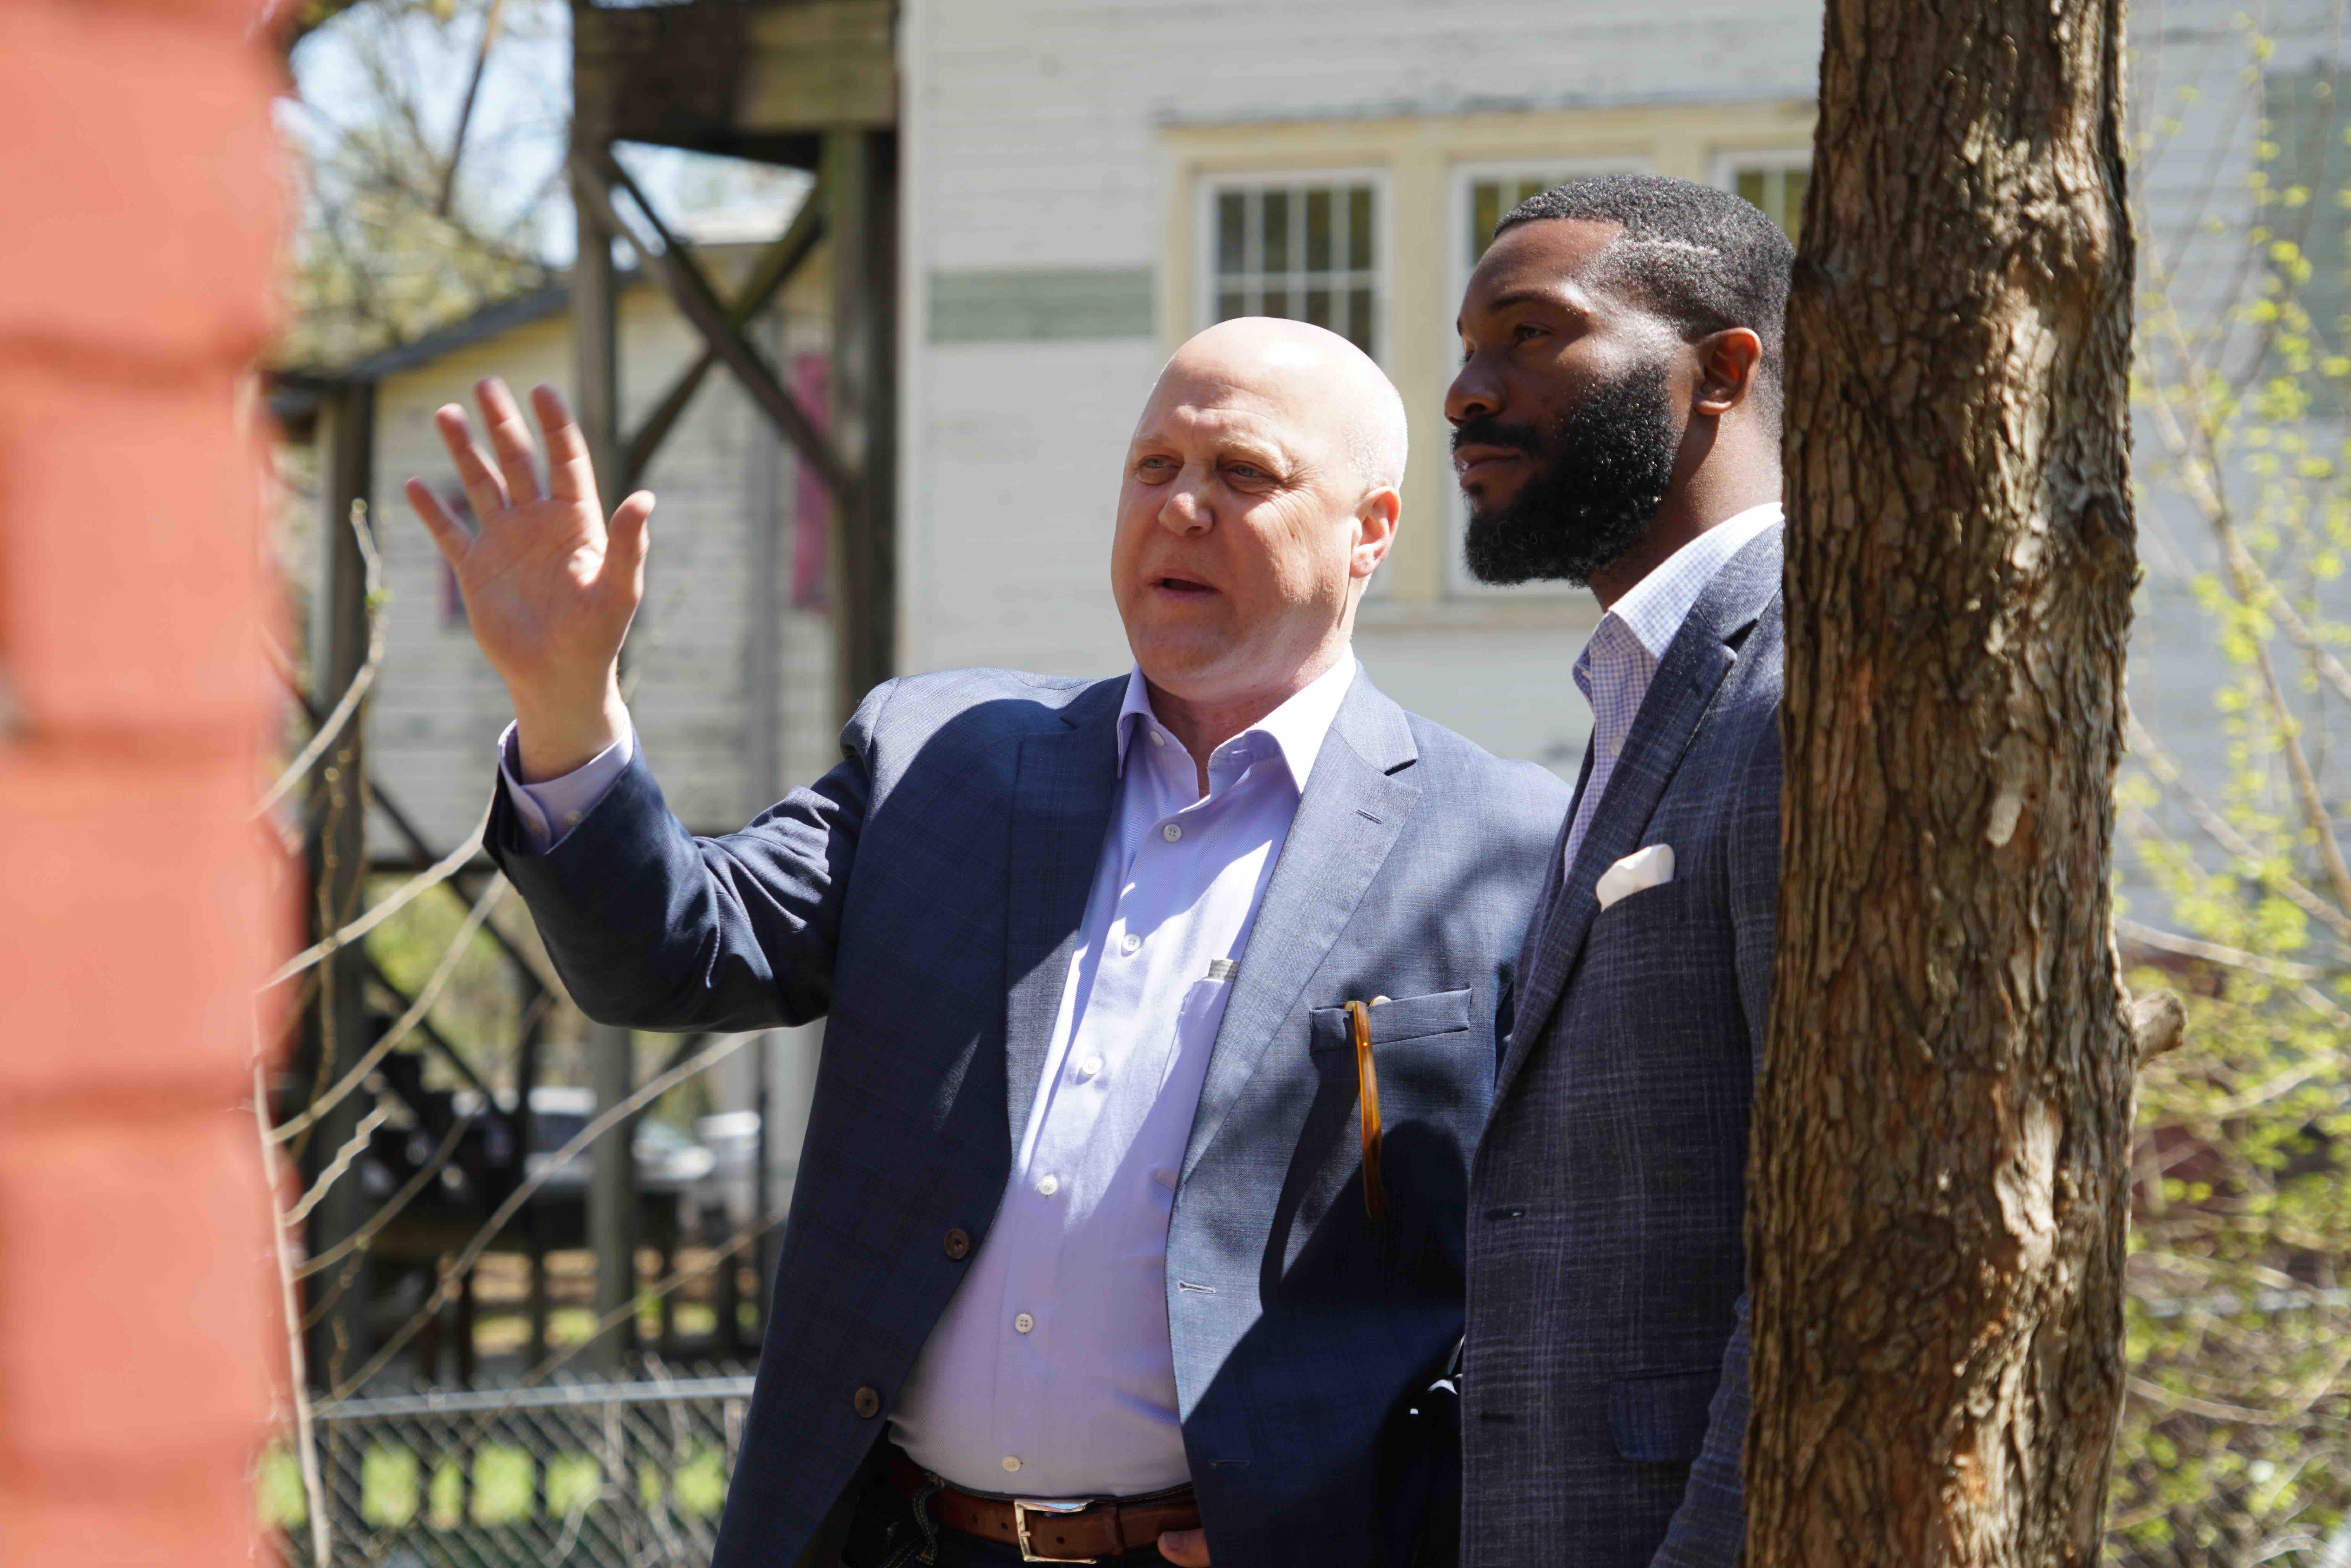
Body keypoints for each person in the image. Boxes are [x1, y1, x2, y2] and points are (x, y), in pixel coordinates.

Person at [406, 317, 1569, 1568]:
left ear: (1371, 531)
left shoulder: (1503, 845)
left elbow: (1556, 1287)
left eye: (1242, 475)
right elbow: (675, 951)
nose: (1180, 507)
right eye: (1152, 467)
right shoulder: (942, 757)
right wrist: (565, 703)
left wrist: (1378, 1529)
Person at [1444, 174, 1796, 1567]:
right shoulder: (1626, 699)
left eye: (1532, 335)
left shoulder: (1797, 682)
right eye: (1468, 347)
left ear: (1718, 372)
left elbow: (1819, 1252)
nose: (1470, 391)